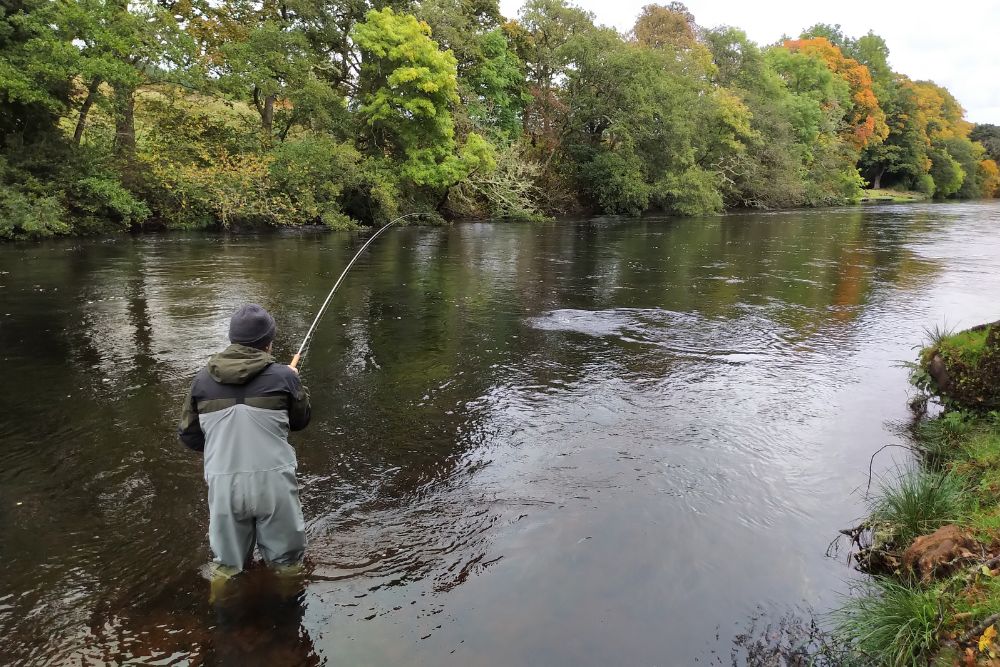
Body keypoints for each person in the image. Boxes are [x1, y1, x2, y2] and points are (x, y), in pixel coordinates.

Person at [178, 304, 311, 578]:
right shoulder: (285, 377)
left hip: (224, 484)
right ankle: (287, 616)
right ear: (269, 343)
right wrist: (296, 384)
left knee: (226, 568)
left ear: (232, 339)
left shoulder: (201, 381)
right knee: (287, 565)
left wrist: (223, 445)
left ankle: (226, 615)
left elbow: (189, 436)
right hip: (273, 485)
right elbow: (300, 421)